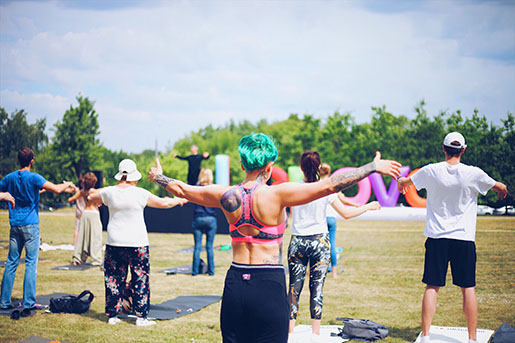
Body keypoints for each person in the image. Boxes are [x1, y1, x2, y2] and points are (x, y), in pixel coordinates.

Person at [148, 133, 401, 343]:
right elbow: (330, 185)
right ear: (269, 167)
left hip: (235, 282)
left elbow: (181, 188)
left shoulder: (227, 194)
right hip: (268, 284)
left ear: (241, 165)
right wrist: (372, 167)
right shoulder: (277, 195)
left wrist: (158, 177)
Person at [397, 132, 508, 343]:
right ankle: (472, 339)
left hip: (437, 237)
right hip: (464, 239)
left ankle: (427, 336)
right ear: (463, 150)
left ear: (443, 148)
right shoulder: (473, 173)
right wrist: (501, 189)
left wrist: (401, 182)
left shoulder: (431, 170)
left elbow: (407, 181)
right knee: (468, 288)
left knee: (432, 287)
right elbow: (499, 186)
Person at [288, 152, 381, 342]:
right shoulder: (325, 188)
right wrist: (368, 207)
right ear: (319, 166)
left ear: (301, 168)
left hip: (297, 241)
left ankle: (290, 331)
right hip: (319, 243)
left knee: (294, 289)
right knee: (317, 289)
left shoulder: (293, 188)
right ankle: (315, 333)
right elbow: (346, 213)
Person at [88, 159, 187, 326]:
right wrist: (179, 200)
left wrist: (97, 197)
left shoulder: (109, 192)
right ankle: (141, 317)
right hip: (137, 242)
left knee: (113, 278)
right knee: (140, 278)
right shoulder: (140, 193)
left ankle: (113, 315)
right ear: (133, 176)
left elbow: (90, 196)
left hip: (115, 242)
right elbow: (163, 203)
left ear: (120, 175)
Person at [0, 148, 74, 311]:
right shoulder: (34, 177)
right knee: (30, 263)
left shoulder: (10, 177)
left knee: (11, 262)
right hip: (30, 225)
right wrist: (67, 184)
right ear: (32, 160)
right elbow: (56, 189)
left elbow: (35, 190)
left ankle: (4, 301)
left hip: (15, 225)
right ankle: (28, 302)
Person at [319, 163, 361, 279]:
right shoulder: (333, 184)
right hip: (331, 218)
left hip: (320, 218)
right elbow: (342, 200)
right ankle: (334, 273)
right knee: (332, 245)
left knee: (317, 245)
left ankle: (311, 271)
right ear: (328, 172)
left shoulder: (316, 184)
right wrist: (356, 204)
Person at [70, 172, 102, 266]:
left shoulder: (82, 192)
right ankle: (96, 259)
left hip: (85, 213)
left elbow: (71, 199)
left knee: (82, 237)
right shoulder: (94, 191)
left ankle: (77, 258)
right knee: (96, 237)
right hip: (93, 213)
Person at [192, 168, 217, 276]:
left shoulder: (195, 188)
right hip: (211, 219)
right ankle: (211, 271)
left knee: (197, 246)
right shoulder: (214, 188)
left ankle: (195, 272)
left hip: (198, 218)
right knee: (209, 247)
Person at [68, 177, 86, 245]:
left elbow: (73, 187)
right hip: (85, 211)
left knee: (77, 228)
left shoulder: (77, 190)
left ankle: (75, 244)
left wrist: (69, 184)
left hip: (78, 211)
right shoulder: (85, 191)